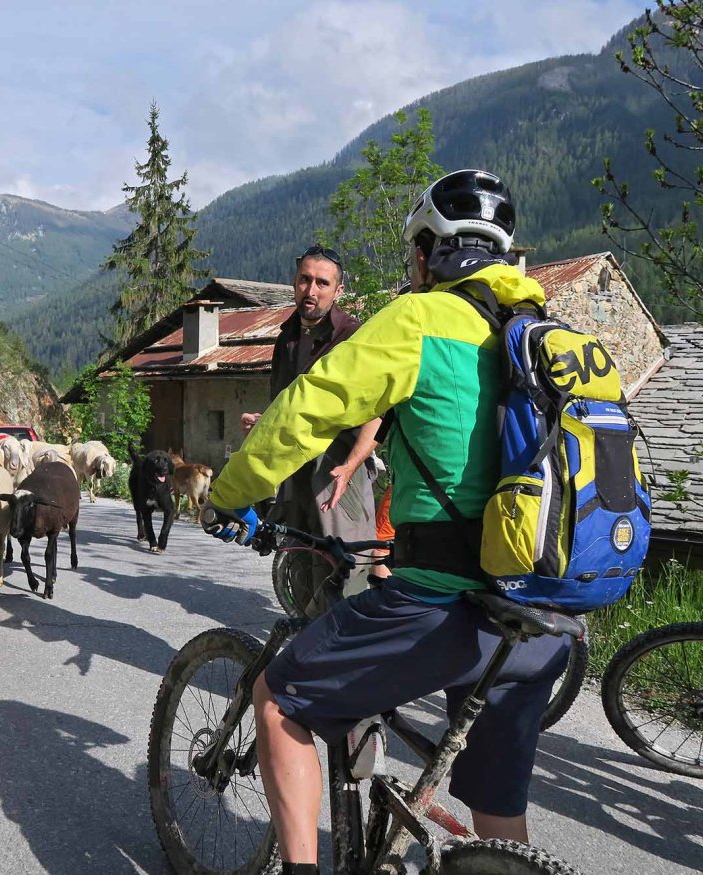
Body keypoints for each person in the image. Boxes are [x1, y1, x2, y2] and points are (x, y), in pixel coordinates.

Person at [205, 169, 568, 875]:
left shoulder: (419, 319)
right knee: (497, 813)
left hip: (446, 603)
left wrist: (231, 491)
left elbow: (305, 412)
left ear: (431, 250)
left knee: (277, 699)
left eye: (415, 252)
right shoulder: (548, 336)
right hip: (539, 616)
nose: (413, 266)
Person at [243, 243, 380, 605]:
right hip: (295, 473)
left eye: (322, 283)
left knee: (344, 576)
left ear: (338, 291)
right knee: (299, 572)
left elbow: (380, 411)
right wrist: (265, 422)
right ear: (294, 281)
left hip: (336, 472)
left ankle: (341, 657)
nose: (311, 290)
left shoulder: (353, 337)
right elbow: (286, 404)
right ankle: (304, 653)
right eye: (305, 279)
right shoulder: (287, 336)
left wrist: (351, 466)